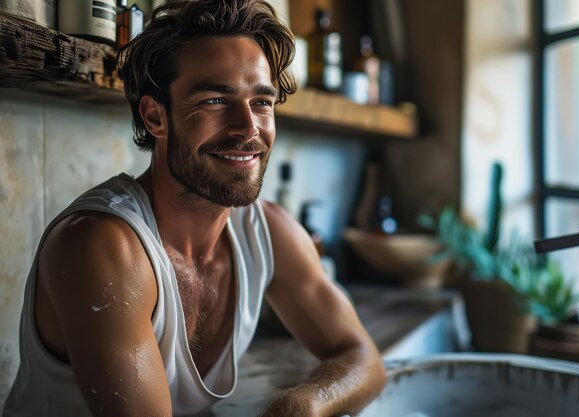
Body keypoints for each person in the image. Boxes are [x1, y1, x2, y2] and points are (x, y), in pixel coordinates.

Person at [2, 1, 386, 416]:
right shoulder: (103, 247)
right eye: (216, 101)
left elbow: (364, 357)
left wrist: (306, 404)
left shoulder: (269, 230)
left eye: (261, 102)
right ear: (155, 116)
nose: (248, 128)